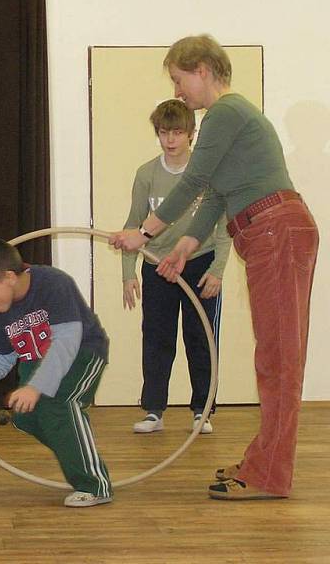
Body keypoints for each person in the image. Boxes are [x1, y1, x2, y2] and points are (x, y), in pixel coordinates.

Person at [110, 34, 319, 500]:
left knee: (279, 359)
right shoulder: (227, 120)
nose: (178, 91)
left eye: (179, 79)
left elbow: (195, 181)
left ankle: (269, 475)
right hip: (268, 232)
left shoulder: (226, 112)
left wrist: (142, 233)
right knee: (273, 356)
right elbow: (216, 198)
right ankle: (263, 461)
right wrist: (183, 247)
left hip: (275, 231)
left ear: (202, 69)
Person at [0, 238, 112, 507]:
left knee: (56, 405)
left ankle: (94, 485)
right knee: (25, 417)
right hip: (36, 363)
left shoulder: (52, 283)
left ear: (8, 277)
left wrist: (36, 387)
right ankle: (76, 450)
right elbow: (4, 354)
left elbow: (67, 340)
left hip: (81, 354)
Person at [122, 99, 230, 435]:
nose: (171, 139)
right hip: (158, 267)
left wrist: (219, 269)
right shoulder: (146, 175)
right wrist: (128, 274)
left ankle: (202, 410)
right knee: (156, 339)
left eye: (178, 132)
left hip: (201, 264)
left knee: (201, 338)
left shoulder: (206, 173)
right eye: (164, 132)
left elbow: (225, 225)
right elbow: (133, 225)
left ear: (191, 134)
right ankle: (154, 410)